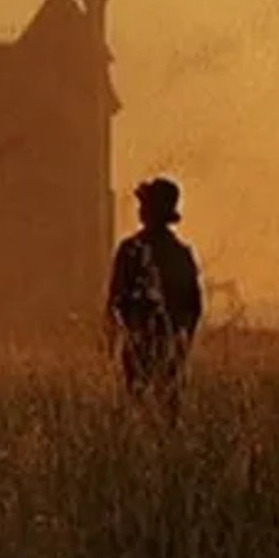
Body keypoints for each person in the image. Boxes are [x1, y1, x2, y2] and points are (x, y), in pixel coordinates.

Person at [105, 177, 203, 416]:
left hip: (138, 345)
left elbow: (115, 300)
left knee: (136, 408)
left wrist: (112, 338)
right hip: (170, 349)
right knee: (168, 411)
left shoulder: (130, 250)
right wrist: (183, 344)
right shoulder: (181, 254)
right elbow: (194, 307)